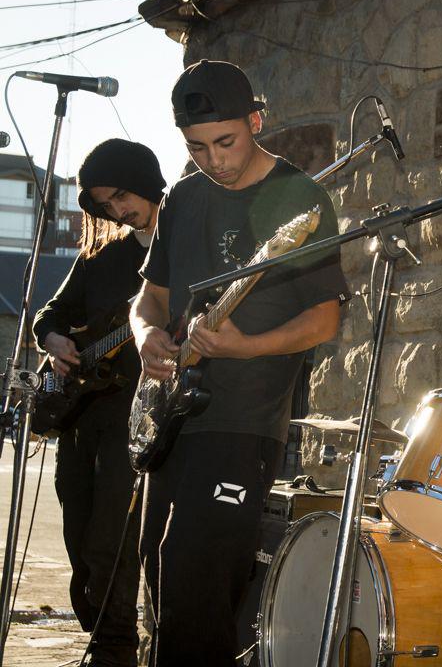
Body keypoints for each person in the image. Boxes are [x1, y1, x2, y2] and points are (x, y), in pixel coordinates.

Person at [130, 59, 348, 666]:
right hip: (170, 419)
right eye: (197, 147)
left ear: (256, 121)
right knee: (160, 582)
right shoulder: (183, 196)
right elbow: (151, 296)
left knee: (198, 588)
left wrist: (244, 346)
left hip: (242, 422)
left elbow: (324, 319)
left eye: (225, 141)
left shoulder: (299, 200)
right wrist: (146, 332)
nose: (213, 159)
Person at [32, 138, 166, 666]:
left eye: (121, 197)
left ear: (145, 182)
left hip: (131, 422)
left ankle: (115, 649)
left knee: (110, 542)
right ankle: (99, 638)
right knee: (78, 539)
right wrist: (55, 340)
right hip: (77, 419)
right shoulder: (101, 257)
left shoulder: (177, 251)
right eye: (104, 205)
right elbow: (49, 313)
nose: (116, 211)